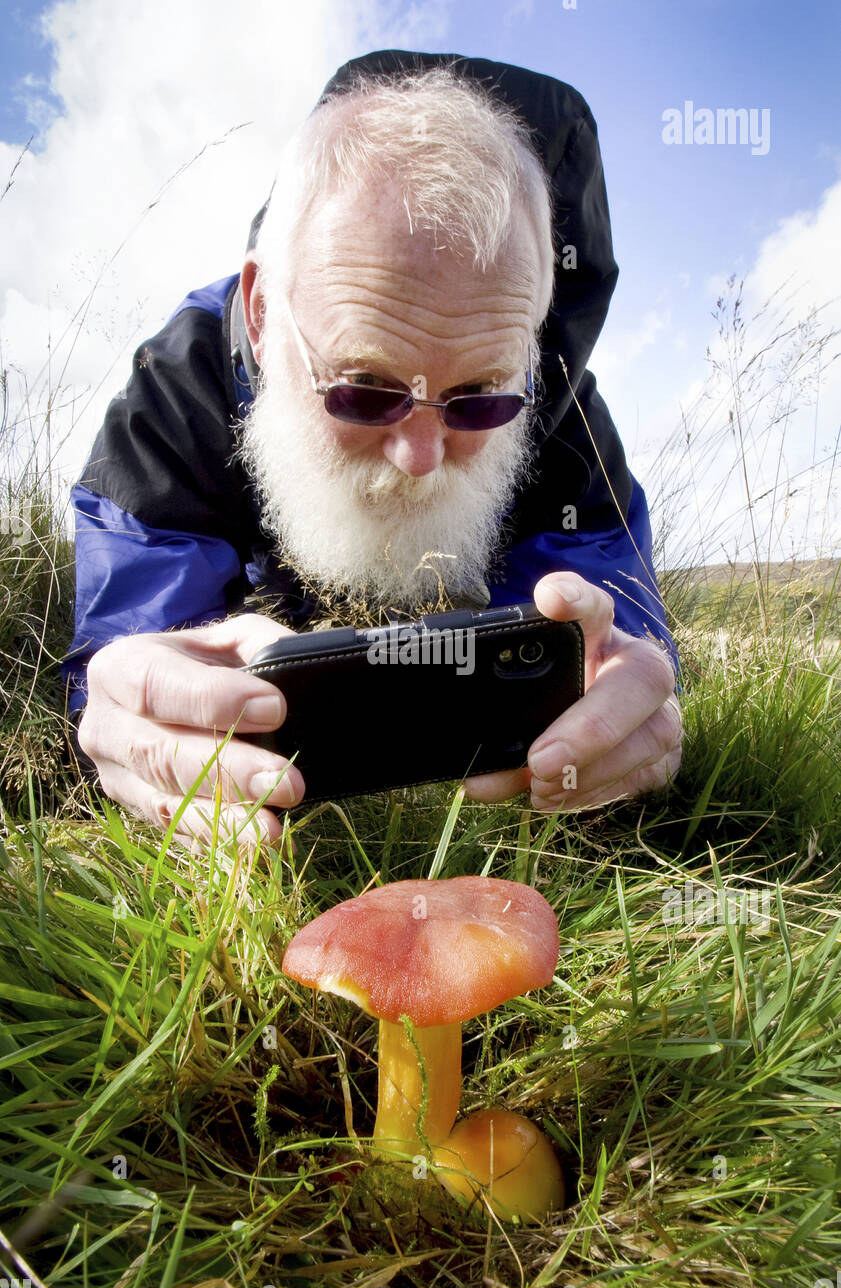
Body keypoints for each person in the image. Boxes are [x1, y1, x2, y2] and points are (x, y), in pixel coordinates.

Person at [64, 49, 682, 845]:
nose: (420, 458)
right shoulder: (173, 400)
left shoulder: (563, 415)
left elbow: (608, 631)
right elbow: (131, 647)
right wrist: (130, 708)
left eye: (481, 397)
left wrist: (625, 703)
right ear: (261, 313)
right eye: (363, 389)